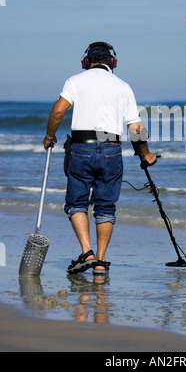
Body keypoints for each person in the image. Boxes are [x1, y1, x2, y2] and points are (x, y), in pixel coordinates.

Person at [43, 41, 156, 275]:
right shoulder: (123, 86)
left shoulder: (75, 81)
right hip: (111, 149)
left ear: (87, 62)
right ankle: (101, 262)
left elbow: (57, 111)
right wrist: (146, 154)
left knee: (77, 203)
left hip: (81, 148)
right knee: (106, 206)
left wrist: (49, 136)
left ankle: (87, 253)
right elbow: (136, 128)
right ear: (111, 62)